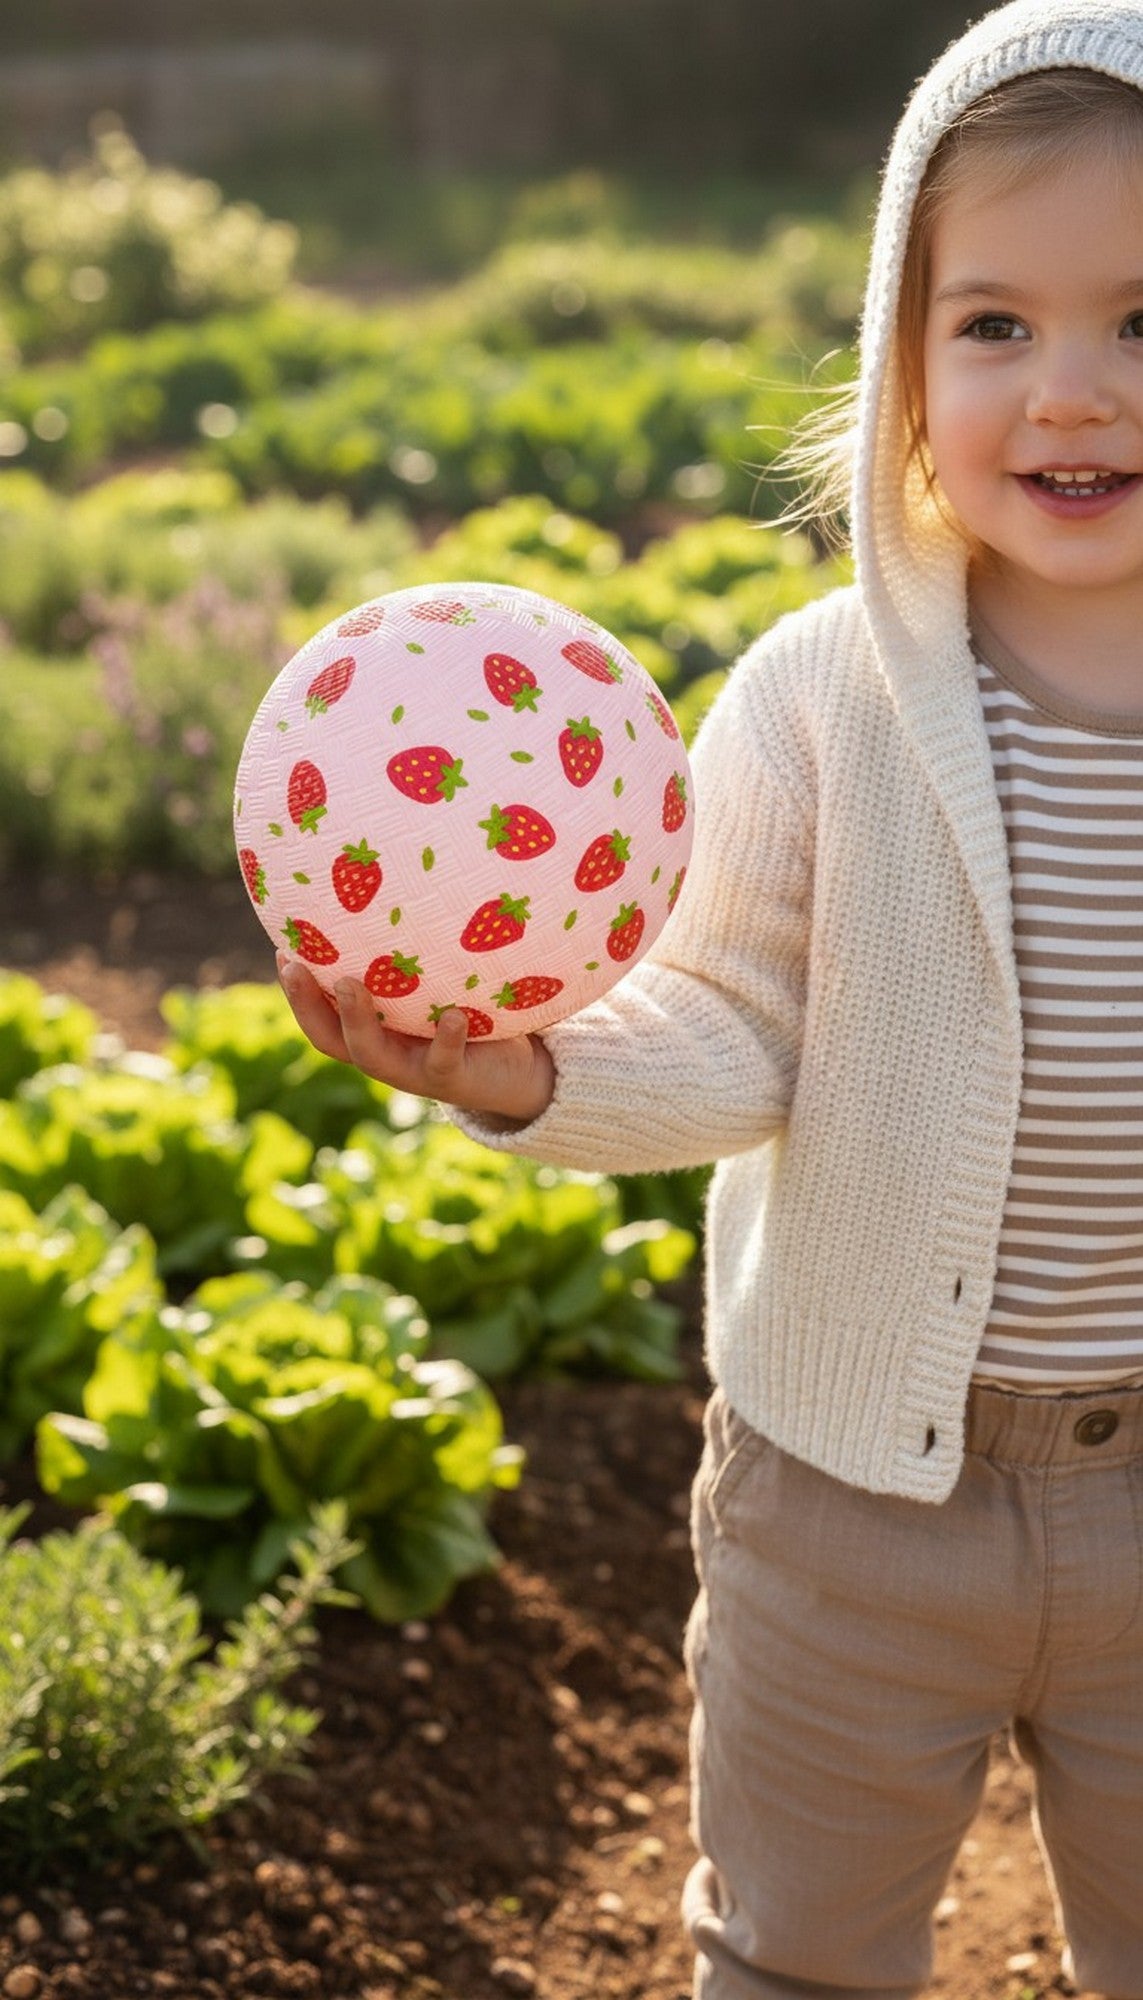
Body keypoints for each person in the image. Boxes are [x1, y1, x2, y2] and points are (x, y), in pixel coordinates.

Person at [277, 1, 1143, 1991]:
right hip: (850, 1510)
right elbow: (727, 1029)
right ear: (900, 364)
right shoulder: (824, 701)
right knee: (794, 1955)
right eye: (992, 324)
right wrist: (521, 1068)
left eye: (1142, 320)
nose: (1071, 391)